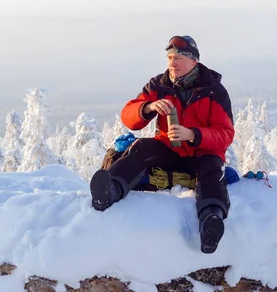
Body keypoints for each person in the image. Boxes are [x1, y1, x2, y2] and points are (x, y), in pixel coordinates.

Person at [90, 35, 235, 254]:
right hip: (168, 149)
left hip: (202, 153)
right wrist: (148, 107)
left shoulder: (214, 90)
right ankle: (111, 190)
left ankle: (210, 222)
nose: (172, 63)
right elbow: (128, 115)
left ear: (194, 61)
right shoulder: (159, 85)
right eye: (169, 57)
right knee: (141, 148)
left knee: (212, 170)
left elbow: (225, 134)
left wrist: (193, 134)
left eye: (178, 58)